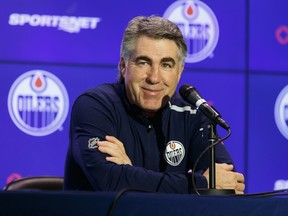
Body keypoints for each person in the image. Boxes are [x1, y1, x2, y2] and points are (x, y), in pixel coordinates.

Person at [64, 15, 245, 194]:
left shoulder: (193, 113)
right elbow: (111, 181)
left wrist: (130, 171)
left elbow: (226, 182)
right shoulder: (95, 106)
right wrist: (199, 183)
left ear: (180, 71)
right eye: (143, 62)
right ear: (123, 65)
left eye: (166, 65)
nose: (154, 77)